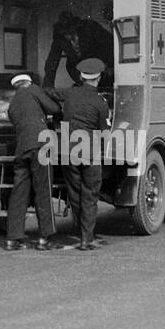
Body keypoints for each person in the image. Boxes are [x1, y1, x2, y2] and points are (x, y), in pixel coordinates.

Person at [51, 58, 110, 252]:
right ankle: (86, 239)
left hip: (69, 151)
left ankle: (80, 233)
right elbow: (104, 131)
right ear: (98, 78)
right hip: (90, 152)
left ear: (81, 77)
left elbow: (50, 92)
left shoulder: (70, 94)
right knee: (89, 195)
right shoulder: (100, 102)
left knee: (75, 194)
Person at [3, 73, 60, 252]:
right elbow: (54, 108)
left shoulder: (12, 103)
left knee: (19, 193)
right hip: (40, 146)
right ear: (29, 83)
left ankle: (13, 239)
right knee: (43, 190)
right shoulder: (34, 90)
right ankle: (45, 238)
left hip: (21, 149)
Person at [42, 11, 114, 90]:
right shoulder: (59, 36)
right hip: (76, 68)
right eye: (67, 35)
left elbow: (109, 43)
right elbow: (52, 59)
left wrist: (110, 66)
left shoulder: (90, 27)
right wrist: (48, 86)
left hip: (99, 64)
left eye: (72, 33)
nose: (72, 42)